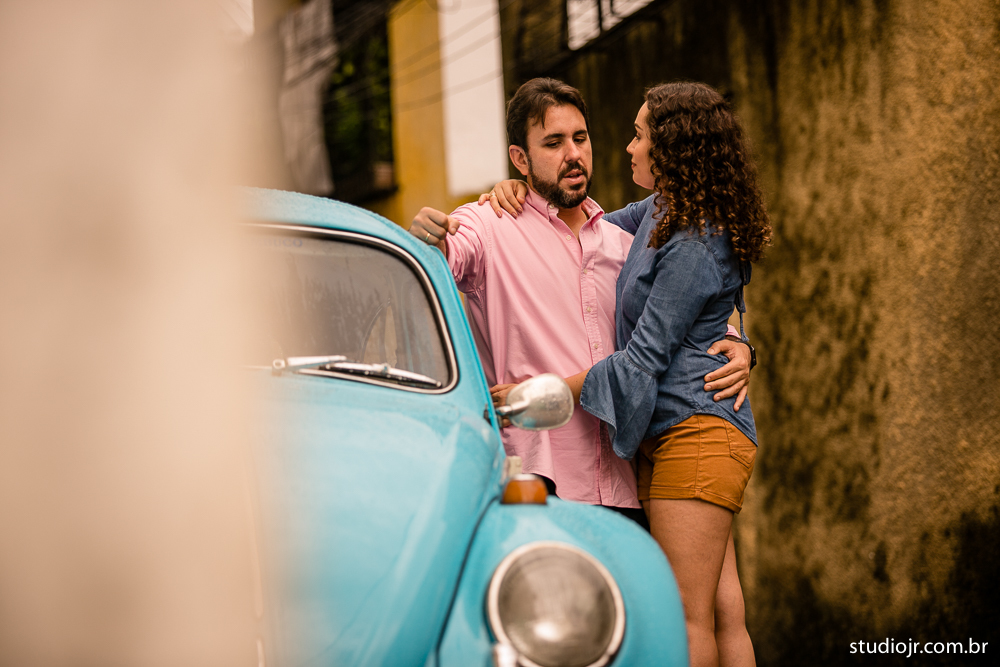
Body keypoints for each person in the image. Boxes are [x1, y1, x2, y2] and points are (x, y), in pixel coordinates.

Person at [485, 81, 770, 667]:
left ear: (672, 149)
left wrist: (537, 394)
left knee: (682, 615)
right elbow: (576, 233)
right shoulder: (661, 211)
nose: (626, 147)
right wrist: (521, 193)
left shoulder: (693, 238)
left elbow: (643, 359)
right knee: (722, 611)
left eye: (639, 135)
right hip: (686, 432)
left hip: (696, 433)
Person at [408, 78, 752, 528]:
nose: (573, 153)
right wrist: (429, 239)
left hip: (627, 481)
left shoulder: (623, 240)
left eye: (580, 138)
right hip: (536, 482)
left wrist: (736, 340)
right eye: (553, 143)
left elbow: (684, 301)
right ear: (520, 159)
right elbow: (449, 253)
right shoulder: (489, 224)